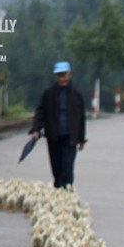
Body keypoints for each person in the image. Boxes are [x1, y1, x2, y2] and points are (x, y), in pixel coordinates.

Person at [30, 61, 86, 189]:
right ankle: (58, 192)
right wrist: (36, 129)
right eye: (59, 75)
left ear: (70, 75)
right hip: (54, 136)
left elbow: (81, 118)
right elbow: (40, 112)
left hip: (70, 137)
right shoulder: (48, 94)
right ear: (56, 76)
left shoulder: (77, 95)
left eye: (64, 75)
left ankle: (66, 193)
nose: (62, 79)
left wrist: (81, 139)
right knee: (56, 168)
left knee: (67, 167)